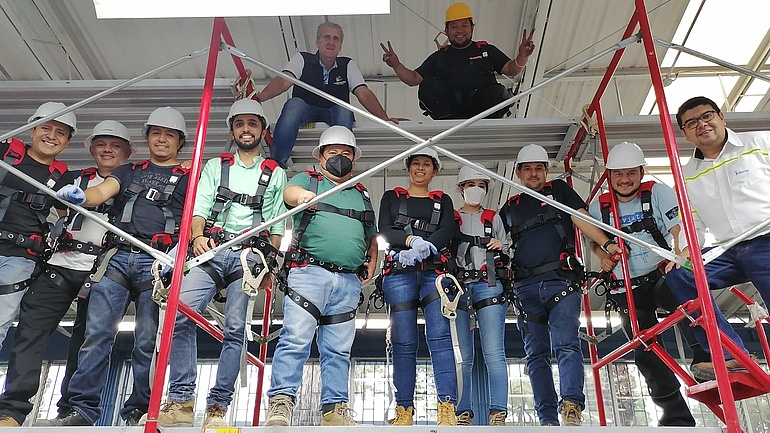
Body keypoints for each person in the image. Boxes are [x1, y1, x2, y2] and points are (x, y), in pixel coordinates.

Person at [146, 99, 287, 428]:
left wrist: (267, 264)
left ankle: (218, 407)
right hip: (211, 249)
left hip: (249, 255)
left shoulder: (274, 173)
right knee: (180, 316)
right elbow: (199, 209)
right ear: (233, 130)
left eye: (253, 123)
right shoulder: (215, 166)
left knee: (235, 328)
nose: (246, 129)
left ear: (262, 130)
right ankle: (181, 401)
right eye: (240, 124)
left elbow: (278, 227)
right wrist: (196, 239)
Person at [53, 107, 190, 426]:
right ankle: (83, 408)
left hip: (156, 261)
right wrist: (80, 197)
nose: (162, 139)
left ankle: (141, 408)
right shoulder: (129, 171)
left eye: (169, 135)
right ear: (148, 137)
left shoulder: (188, 177)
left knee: (147, 339)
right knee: (97, 332)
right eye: (156, 133)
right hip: (116, 255)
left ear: (180, 142)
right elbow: (103, 191)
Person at [0, 121, 133, 428]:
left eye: (115, 145)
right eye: (101, 144)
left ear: (127, 151)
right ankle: (12, 410)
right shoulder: (70, 178)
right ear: (90, 149)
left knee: (89, 340)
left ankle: (71, 410)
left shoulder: (133, 186)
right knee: (30, 333)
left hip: (103, 271)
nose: (107, 150)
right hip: (60, 264)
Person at [499, 144, 620, 426]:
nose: (533, 174)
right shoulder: (509, 208)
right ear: (518, 173)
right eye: (527, 169)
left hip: (561, 283)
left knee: (566, 345)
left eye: (539, 168)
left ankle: (572, 407)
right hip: (525, 288)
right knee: (536, 354)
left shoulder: (560, 191)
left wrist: (607, 244)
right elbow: (499, 247)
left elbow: (581, 219)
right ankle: (547, 418)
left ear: (546, 171)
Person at [264, 126, 377, 427]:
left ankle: (335, 409)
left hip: (348, 281)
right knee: (295, 340)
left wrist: (372, 264)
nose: (340, 157)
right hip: (308, 274)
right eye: (333, 153)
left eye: (346, 153)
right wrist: (301, 195)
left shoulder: (362, 194)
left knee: (339, 349)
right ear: (321, 156)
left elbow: (372, 236)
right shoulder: (308, 179)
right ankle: (281, 403)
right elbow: (288, 193)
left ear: (354, 158)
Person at [587, 141, 700, 426]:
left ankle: (704, 359)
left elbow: (679, 228)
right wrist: (603, 256)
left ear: (640, 172)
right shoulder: (599, 207)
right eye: (618, 175)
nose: (625, 180)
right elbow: (593, 242)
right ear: (609, 176)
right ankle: (675, 415)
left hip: (661, 275)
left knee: (687, 301)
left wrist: (681, 253)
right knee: (645, 349)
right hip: (626, 288)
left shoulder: (659, 193)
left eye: (631, 173)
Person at [665, 95, 768, 381]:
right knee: (680, 275)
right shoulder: (686, 175)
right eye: (691, 123)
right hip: (728, 248)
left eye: (706, 116)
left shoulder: (760, 144)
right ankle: (731, 354)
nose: (702, 125)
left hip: (766, 240)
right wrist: (686, 250)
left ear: (721, 116)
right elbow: (693, 219)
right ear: (685, 134)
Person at [378, 148, 461, 426]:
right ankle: (404, 410)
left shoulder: (443, 200)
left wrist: (429, 246)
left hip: (433, 276)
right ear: (408, 168)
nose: (421, 169)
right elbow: (384, 229)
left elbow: (447, 229)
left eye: (427, 164)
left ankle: (446, 407)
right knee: (403, 341)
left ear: (434, 171)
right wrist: (411, 242)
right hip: (400, 272)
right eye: (416, 164)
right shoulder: (392, 197)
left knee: (439, 338)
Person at [255, 21, 400, 168]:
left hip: (335, 112)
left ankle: (339, 167)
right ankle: (276, 164)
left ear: (340, 45)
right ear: (317, 42)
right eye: (327, 37)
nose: (331, 42)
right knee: (294, 104)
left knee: (344, 109)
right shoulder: (302, 59)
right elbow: (284, 81)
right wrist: (261, 97)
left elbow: (363, 92)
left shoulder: (347, 64)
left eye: (336, 39)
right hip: (305, 110)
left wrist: (384, 118)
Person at [0, 102, 75, 354]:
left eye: (60, 133)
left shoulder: (63, 178)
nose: (51, 136)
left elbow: (67, 216)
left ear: (66, 143)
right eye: (46, 127)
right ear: (31, 130)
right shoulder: (5, 152)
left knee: (0, 323)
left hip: (19, 258)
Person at [381, 2, 535, 120]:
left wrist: (523, 56)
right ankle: (448, 125)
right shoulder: (440, 56)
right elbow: (413, 79)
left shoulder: (485, 50)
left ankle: (482, 124)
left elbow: (511, 70)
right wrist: (396, 64)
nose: (459, 30)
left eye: (464, 25)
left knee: (498, 92)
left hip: (482, 112)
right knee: (427, 85)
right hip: (449, 114)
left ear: (472, 28)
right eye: (454, 26)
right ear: (446, 31)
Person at [452, 165, 510, 426]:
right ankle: (462, 410)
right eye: (470, 185)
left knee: (494, 352)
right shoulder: (452, 219)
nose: (476, 190)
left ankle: (498, 411)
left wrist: (501, 248)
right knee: (463, 354)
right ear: (461, 188)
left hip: (489, 283)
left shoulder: (493, 218)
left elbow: (508, 251)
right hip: (458, 287)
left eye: (481, 185)